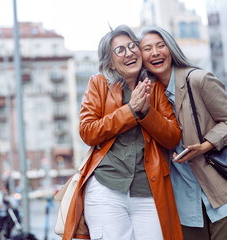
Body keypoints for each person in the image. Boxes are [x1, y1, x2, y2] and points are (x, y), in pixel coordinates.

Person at [62, 25, 183, 240]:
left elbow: (173, 136)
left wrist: (146, 112)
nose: (129, 53)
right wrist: (130, 110)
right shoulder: (98, 84)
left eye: (132, 46)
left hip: (148, 190)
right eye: (120, 50)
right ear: (110, 62)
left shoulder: (154, 89)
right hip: (106, 189)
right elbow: (88, 131)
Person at [138, 25, 227, 240]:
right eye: (147, 49)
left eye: (160, 45)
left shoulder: (199, 80)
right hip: (186, 202)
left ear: (171, 49)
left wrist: (205, 146)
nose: (154, 52)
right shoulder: (148, 96)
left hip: (225, 190)